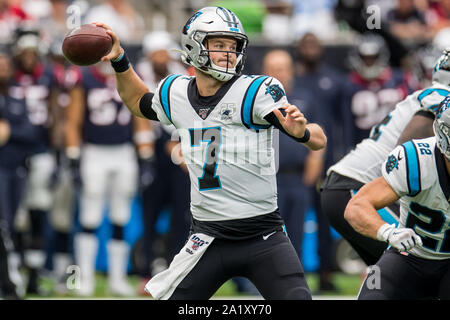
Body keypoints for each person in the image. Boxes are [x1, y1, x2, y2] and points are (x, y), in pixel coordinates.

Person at [95, 5, 327, 300]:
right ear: (193, 44)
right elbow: (137, 100)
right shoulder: (175, 92)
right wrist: (119, 59)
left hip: (264, 235)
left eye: (232, 46)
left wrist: (302, 133)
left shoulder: (255, 91)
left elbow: (319, 140)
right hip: (207, 238)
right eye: (218, 45)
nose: (228, 53)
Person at [321, 48, 450, 267]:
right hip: (356, 190)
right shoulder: (440, 98)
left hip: (346, 187)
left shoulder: (432, 95)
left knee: (394, 278)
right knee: (420, 258)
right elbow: (404, 157)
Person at [344, 97, 450, 299]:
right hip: (409, 257)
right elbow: (356, 206)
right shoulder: (417, 159)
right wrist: (387, 232)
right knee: (372, 295)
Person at [65, 61, 153, 297]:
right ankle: (85, 278)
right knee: (90, 215)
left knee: (120, 215)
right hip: (94, 151)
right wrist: (73, 155)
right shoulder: (82, 77)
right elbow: (73, 120)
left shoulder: (128, 74)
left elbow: (139, 112)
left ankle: (117, 278)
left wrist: (145, 154)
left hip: (123, 151)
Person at [0, 51, 39, 299]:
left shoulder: (16, 97)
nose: (2, 69)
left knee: (11, 226)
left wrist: (8, 130)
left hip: (15, 169)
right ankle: (10, 283)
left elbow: (30, 133)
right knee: (3, 227)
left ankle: (11, 281)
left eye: (5, 64)